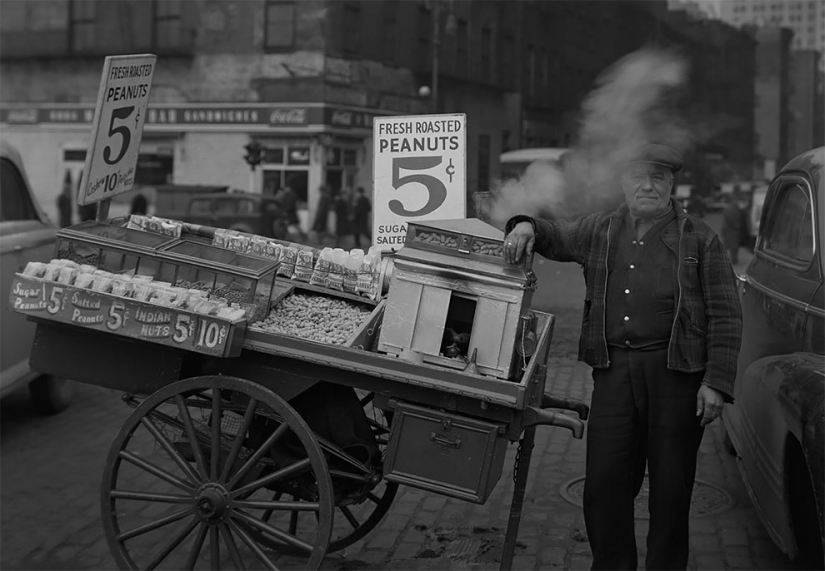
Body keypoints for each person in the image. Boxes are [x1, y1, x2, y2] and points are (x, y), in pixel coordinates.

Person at [503, 143, 743, 570]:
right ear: (623, 181)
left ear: (671, 184)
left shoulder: (700, 238)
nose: (647, 186)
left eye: (658, 178)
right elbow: (555, 236)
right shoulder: (601, 229)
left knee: (671, 491)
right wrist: (525, 225)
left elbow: (726, 313)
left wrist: (717, 383)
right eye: (638, 177)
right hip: (614, 374)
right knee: (604, 485)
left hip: (678, 379)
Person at [721, 191, 744, 264]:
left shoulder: (730, 208)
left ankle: (733, 260)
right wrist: (737, 226)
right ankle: (734, 260)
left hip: (730, 231)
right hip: (732, 231)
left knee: (733, 246)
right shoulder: (730, 209)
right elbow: (731, 220)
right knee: (733, 246)